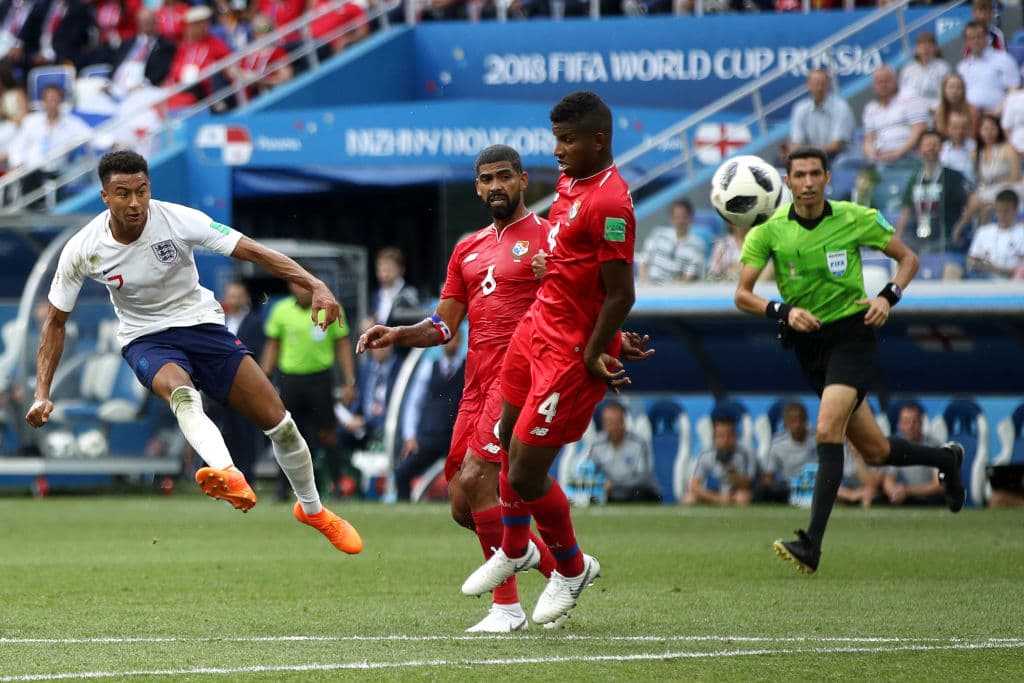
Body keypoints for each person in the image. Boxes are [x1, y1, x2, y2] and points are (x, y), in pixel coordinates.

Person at [25, 150, 362, 555]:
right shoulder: (83, 248)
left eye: (142, 191)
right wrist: (42, 392)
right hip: (146, 337)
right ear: (104, 197)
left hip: (202, 326)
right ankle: (227, 470)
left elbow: (252, 251)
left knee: (281, 424)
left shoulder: (179, 220)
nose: (135, 203)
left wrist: (315, 284)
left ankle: (313, 510)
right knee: (181, 392)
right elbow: (55, 322)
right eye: (123, 193)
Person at [734, 145, 966, 575]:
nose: (806, 182)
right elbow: (742, 295)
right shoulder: (769, 232)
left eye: (814, 174)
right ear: (787, 182)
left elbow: (908, 259)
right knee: (875, 452)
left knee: (826, 429)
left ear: (826, 178)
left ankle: (811, 546)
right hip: (808, 344)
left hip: (853, 337)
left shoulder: (853, 216)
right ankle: (946, 460)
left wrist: (887, 297)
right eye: (799, 175)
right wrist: (782, 311)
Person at [460, 91, 646, 626]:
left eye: (568, 141)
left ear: (598, 140)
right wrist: (552, 264)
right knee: (504, 438)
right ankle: (515, 548)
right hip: (536, 328)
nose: (558, 151)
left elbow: (620, 294)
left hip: (569, 352)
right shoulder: (569, 184)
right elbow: (574, 263)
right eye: (556, 140)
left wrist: (599, 348)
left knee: (523, 471)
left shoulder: (611, 203)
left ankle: (569, 566)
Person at [357, 144, 561, 633]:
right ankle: (557, 565)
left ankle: (507, 608)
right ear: (477, 186)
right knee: (462, 504)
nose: (495, 186)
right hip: (475, 383)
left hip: (522, 376)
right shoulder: (467, 248)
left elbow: (580, 299)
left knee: (476, 479)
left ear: (522, 181)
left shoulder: (548, 238)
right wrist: (400, 334)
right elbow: (445, 326)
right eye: (487, 179)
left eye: (504, 177)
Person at [262, 276, 357, 501]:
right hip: (290, 379)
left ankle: (336, 487)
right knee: (286, 435)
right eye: (295, 284)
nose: (299, 290)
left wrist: (349, 381)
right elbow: (273, 346)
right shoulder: (281, 310)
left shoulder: (330, 308)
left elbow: (342, 344)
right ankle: (282, 491)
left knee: (327, 434)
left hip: (320, 378)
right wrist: (264, 377)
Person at [394, 329, 465, 502]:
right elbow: (413, 403)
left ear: (461, 342)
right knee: (402, 472)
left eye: (455, 339)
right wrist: (410, 436)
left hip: (457, 439)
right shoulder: (428, 367)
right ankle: (405, 510)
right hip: (430, 436)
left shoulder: (468, 368)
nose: (451, 343)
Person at [214, 279, 266, 483]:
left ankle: (248, 479)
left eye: (237, 295)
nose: (233, 299)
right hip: (221, 388)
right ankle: (228, 479)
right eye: (230, 295)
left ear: (245, 298)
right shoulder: (219, 321)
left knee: (246, 435)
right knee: (227, 434)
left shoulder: (255, 323)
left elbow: (257, 353)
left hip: (245, 386)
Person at [6, 84, 92, 206]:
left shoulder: (72, 123)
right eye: (48, 99)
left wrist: (113, 142)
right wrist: (17, 163)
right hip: (30, 170)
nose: (51, 103)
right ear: (43, 101)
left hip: (56, 170)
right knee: (21, 180)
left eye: (55, 99)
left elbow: (91, 135)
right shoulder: (31, 121)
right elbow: (18, 146)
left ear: (61, 101)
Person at [893, 129, 973, 258]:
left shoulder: (952, 176)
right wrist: (898, 236)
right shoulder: (915, 178)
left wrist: (959, 227)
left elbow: (974, 200)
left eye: (935, 145)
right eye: (927, 145)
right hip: (917, 240)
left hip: (945, 240)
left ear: (941, 148)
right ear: (920, 149)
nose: (931, 148)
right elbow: (906, 211)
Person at [952, 114, 1022, 242]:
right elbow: (980, 179)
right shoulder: (977, 153)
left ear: (998, 130)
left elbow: (1016, 176)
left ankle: (958, 228)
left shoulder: (1008, 149)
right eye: (985, 129)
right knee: (983, 207)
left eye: (992, 128)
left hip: (1010, 189)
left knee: (976, 198)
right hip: (989, 191)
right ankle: (980, 241)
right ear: (980, 131)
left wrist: (995, 185)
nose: (988, 133)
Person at [587, 400, 661, 503]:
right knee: (591, 497)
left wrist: (614, 484)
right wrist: (599, 483)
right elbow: (590, 470)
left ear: (623, 422)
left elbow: (643, 476)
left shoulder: (639, 444)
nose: (610, 427)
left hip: (638, 491)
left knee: (639, 494)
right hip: (610, 493)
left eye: (614, 422)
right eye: (607, 422)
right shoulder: (597, 445)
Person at [862, 65, 930, 165]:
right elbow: (868, 139)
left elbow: (919, 130)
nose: (883, 84)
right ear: (874, 85)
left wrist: (897, 153)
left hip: (908, 156)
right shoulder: (870, 108)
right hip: (881, 160)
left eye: (886, 80)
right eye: (879, 81)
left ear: (895, 80)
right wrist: (873, 157)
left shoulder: (910, 98)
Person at [683, 413, 756, 506]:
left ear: (735, 436)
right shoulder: (706, 454)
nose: (725, 440)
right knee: (688, 499)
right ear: (714, 437)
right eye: (721, 436)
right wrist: (717, 498)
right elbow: (694, 486)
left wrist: (730, 468)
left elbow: (746, 485)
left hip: (736, 493)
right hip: (716, 494)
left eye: (729, 436)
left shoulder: (746, 452)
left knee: (742, 498)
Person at [881, 402, 946, 506]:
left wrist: (908, 491)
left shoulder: (935, 447)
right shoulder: (897, 447)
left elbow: (939, 485)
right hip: (909, 498)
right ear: (899, 425)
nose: (910, 426)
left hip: (933, 500)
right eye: (906, 422)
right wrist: (894, 492)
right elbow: (888, 480)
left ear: (921, 423)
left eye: (914, 422)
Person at [786, 67, 856, 160]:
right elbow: (796, 142)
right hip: (810, 155)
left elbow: (836, 146)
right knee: (781, 160)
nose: (819, 88)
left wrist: (808, 152)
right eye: (816, 84)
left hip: (838, 156)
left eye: (823, 84)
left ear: (829, 85)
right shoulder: (800, 108)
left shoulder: (841, 107)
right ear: (808, 85)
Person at [636, 198, 706, 284]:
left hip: (674, 292)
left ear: (691, 218)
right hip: (648, 287)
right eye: (676, 217)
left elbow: (688, 278)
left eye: (684, 217)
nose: (680, 221)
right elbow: (643, 263)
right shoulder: (657, 234)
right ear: (671, 218)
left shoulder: (697, 245)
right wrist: (646, 286)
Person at [956, 20, 1019, 115]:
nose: (975, 41)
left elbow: (1014, 91)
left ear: (987, 38)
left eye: (979, 37)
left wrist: (997, 111)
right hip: (969, 118)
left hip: (998, 115)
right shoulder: (962, 66)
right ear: (966, 41)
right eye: (971, 38)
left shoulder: (1004, 59)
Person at [760, 400, 816, 504]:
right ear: (785, 422)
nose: (797, 424)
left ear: (806, 419)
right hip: (788, 488)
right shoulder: (777, 444)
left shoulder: (818, 440)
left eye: (800, 419)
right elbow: (769, 476)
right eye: (793, 420)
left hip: (815, 486)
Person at [966, 188, 1024, 278]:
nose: (1002, 215)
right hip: (984, 282)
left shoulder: (1021, 233)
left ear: (1015, 210)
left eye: (1006, 211)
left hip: (1013, 284)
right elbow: (971, 260)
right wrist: (980, 265)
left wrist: (998, 270)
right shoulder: (984, 232)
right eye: (999, 210)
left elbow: (1021, 268)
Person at [365, 246, 420, 328]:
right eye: (380, 270)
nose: (384, 274)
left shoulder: (410, 294)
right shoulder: (376, 294)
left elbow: (415, 323)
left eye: (388, 269)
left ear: (401, 269)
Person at [899, 31, 950, 112]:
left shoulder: (943, 67)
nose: (926, 49)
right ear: (916, 49)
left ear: (935, 48)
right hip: (912, 111)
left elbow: (946, 94)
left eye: (929, 46)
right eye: (922, 46)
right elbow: (903, 93)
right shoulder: (908, 69)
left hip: (936, 110)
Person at [934, 72, 980, 140]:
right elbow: (940, 137)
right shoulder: (939, 112)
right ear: (944, 90)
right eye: (951, 87)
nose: (954, 91)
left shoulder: (972, 111)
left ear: (963, 91)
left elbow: (972, 137)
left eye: (958, 87)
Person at [939, 110, 978, 183]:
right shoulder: (941, 149)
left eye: (964, 128)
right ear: (948, 128)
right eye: (955, 128)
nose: (960, 131)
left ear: (969, 128)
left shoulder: (976, 147)